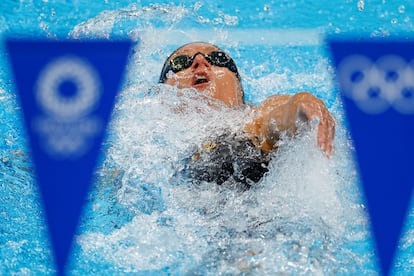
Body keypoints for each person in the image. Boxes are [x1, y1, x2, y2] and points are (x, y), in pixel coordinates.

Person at [159, 42, 335, 189]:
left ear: (239, 91)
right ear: (162, 98)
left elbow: (279, 116)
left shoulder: (249, 125)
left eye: (219, 60)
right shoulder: (151, 146)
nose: (200, 61)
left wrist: (304, 105)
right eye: (180, 63)